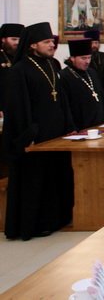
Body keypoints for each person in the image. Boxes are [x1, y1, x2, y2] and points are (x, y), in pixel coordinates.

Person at [3, 22, 75, 240]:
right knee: (36, 180)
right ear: (33, 45)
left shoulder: (52, 64)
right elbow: (18, 106)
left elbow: (62, 98)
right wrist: (29, 134)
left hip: (56, 133)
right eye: (46, 42)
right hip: (35, 136)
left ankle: (57, 219)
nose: (52, 45)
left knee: (55, 177)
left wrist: (69, 126)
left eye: (52, 41)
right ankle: (35, 225)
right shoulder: (19, 70)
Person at [60, 38, 104, 130]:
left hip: (99, 123)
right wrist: (71, 127)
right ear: (72, 58)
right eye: (83, 58)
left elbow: (101, 95)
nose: (87, 62)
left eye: (89, 57)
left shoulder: (92, 72)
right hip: (79, 126)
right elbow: (65, 106)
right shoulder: (64, 76)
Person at [0, 22, 24, 117]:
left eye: (20, 39)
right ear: (3, 39)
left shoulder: (24, 58)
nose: (17, 42)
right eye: (14, 39)